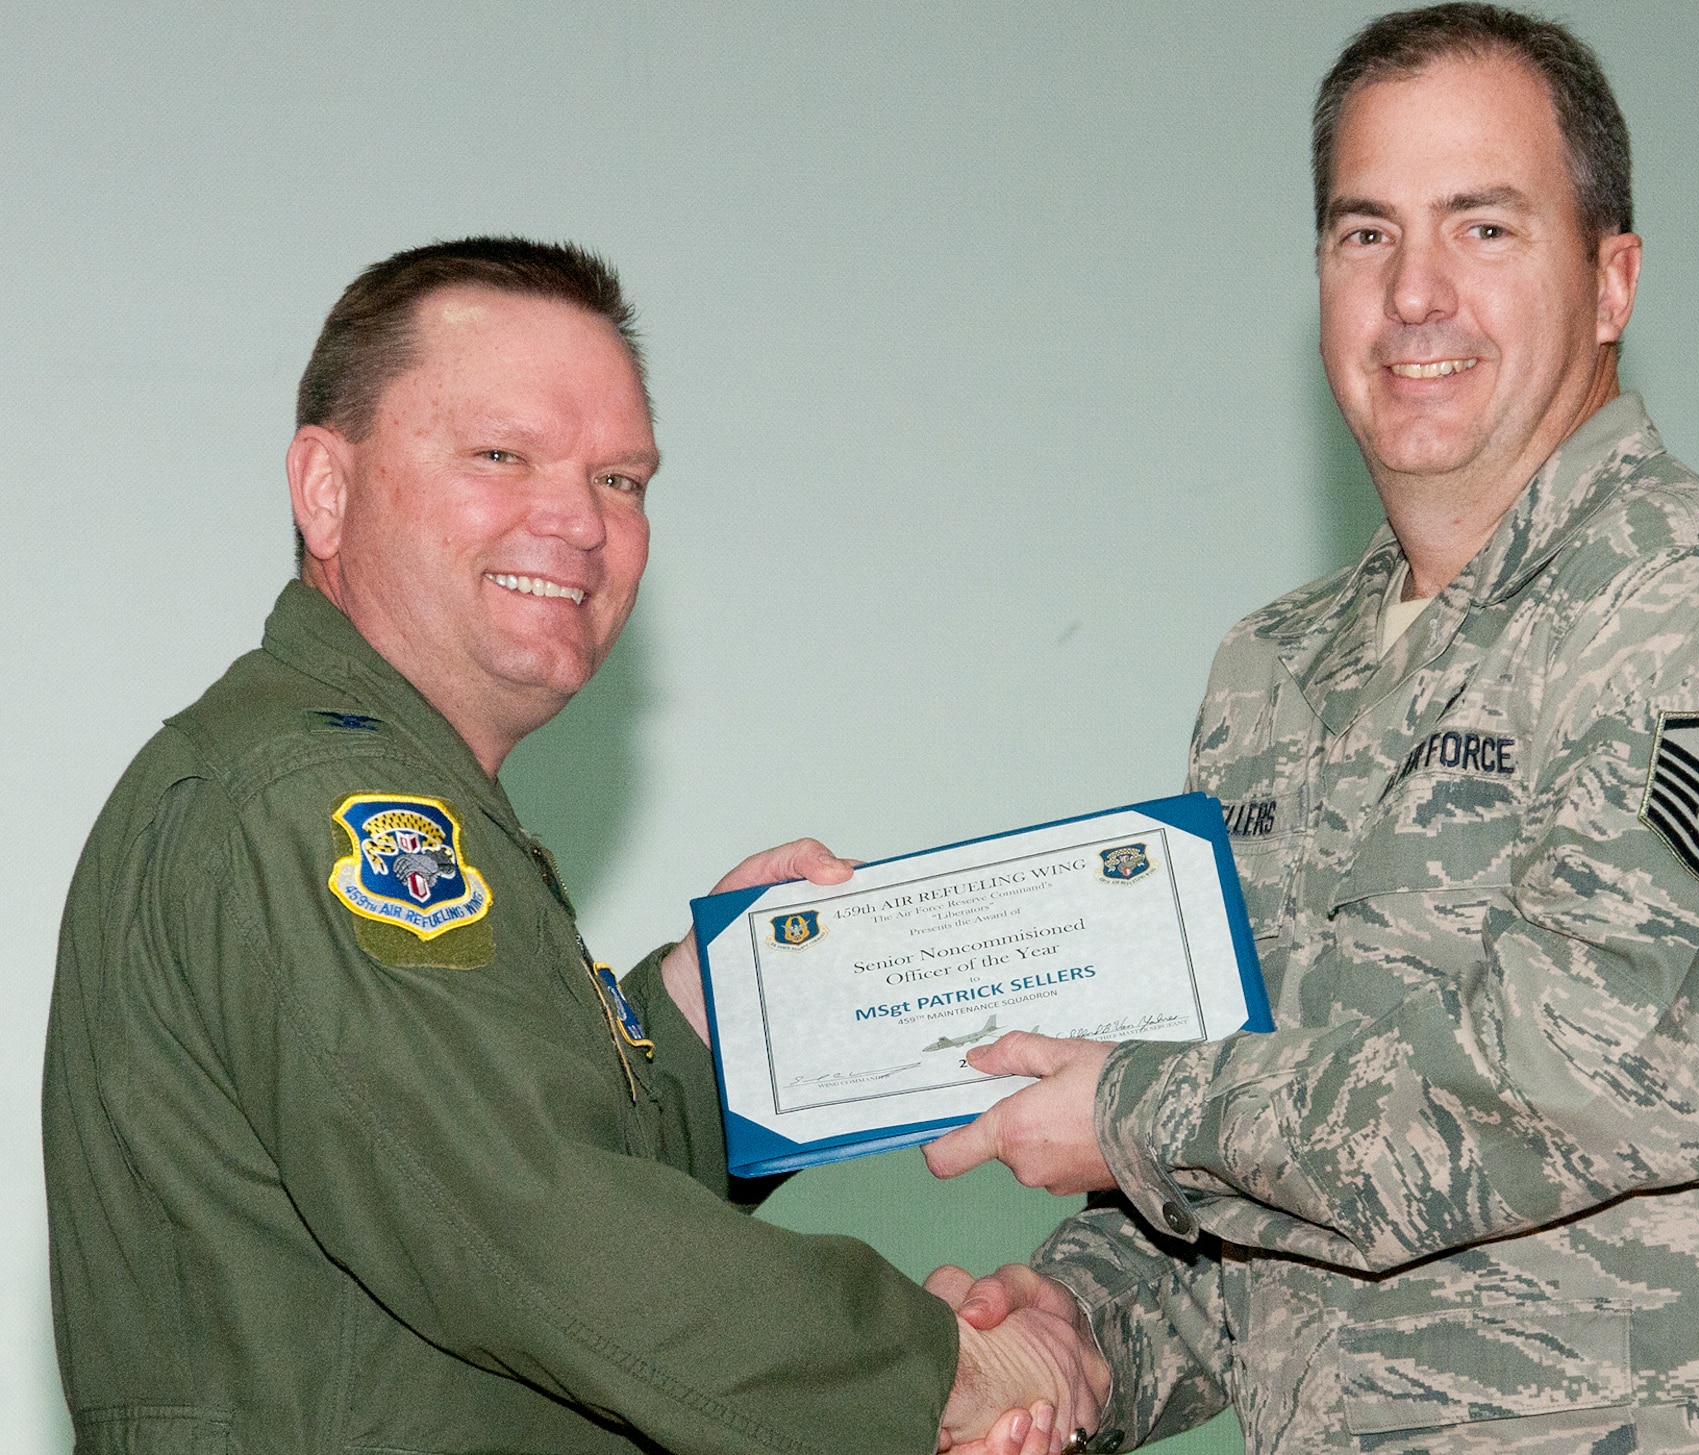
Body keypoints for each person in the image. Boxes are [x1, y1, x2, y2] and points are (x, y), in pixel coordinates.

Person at [923, 6, 1699, 1452]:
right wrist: (1077, 1339)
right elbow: (1268, 1197)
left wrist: (1139, 1109)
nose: (1416, 295)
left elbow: (1590, 1077)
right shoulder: (1272, 672)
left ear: (1612, 281)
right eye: (1365, 234)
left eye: (1484, 229)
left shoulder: (1697, 612)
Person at [43, 237, 1104, 1455]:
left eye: (621, 480)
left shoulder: (351, 777)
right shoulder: (326, 803)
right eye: (502, 456)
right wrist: (936, 1370)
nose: (577, 522)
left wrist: (703, 1018)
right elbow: (531, 1226)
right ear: (324, 490)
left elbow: (493, 1174)